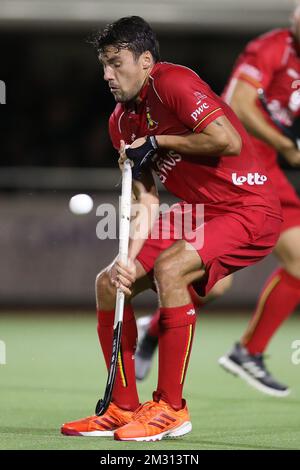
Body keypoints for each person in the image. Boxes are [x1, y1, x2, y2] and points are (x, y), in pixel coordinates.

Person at [61, 16, 282, 441]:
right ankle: (123, 407)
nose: (107, 74)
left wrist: (160, 141)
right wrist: (126, 257)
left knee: (171, 267)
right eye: (103, 65)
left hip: (249, 207)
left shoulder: (173, 83)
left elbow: (228, 140)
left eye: (116, 62)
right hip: (198, 211)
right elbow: (146, 199)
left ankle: (171, 408)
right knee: (110, 283)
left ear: (145, 60)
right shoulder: (120, 124)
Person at [136, 6, 300, 398]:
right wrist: (286, 145)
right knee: (216, 286)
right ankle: (169, 339)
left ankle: (242, 349)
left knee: (282, 266)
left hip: (266, 172)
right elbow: (240, 104)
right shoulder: (272, 48)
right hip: (239, 170)